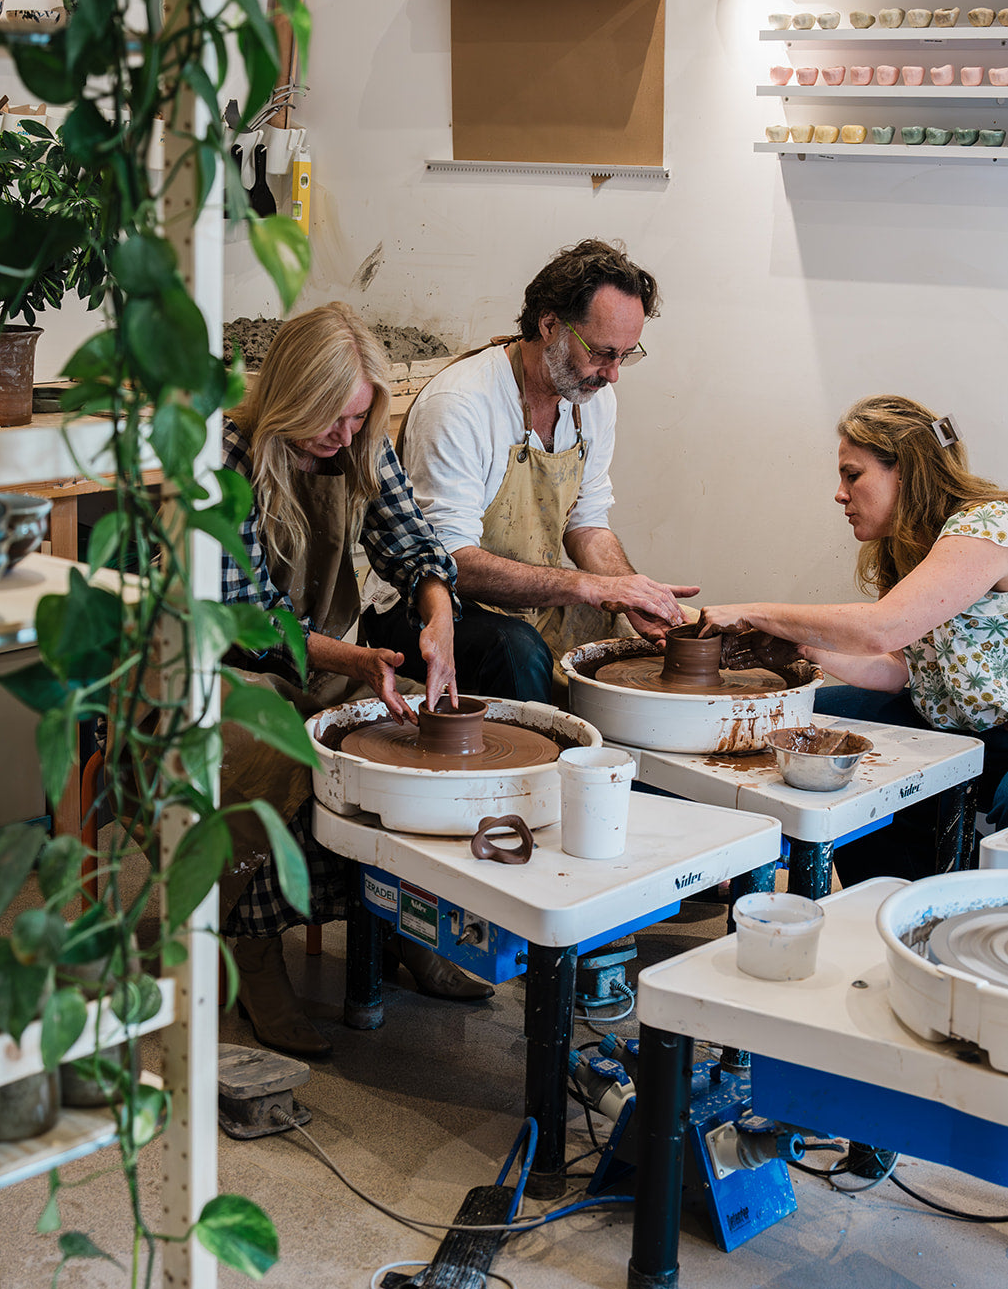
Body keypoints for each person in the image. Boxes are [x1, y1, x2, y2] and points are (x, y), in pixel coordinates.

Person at [219, 302, 493, 1062]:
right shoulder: (224, 456)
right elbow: (244, 617)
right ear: (291, 398)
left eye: (356, 420)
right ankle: (248, 952)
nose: (344, 438)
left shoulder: (357, 443)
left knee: (389, 747)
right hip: (212, 666)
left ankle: (403, 927)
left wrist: (436, 614)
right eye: (331, 420)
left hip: (317, 662)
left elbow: (414, 545)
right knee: (271, 748)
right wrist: (354, 661)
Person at [365, 239, 699, 703]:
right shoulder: (461, 404)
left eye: (626, 355)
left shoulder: (593, 400)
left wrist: (631, 595)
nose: (613, 374)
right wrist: (590, 586)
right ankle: (533, 771)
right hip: (423, 603)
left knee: (662, 633)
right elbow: (450, 559)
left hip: (524, 597)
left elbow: (587, 523)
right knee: (517, 650)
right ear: (549, 324)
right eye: (602, 352)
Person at [699, 394, 1008, 884]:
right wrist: (799, 648)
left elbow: (882, 627)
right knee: (815, 728)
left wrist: (754, 610)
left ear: (904, 471)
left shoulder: (985, 526)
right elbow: (901, 671)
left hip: (1003, 730)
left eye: (853, 475)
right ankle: (889, 898)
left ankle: (958, 923)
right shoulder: (906, 548)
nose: (840, 494)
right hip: (952, 721)